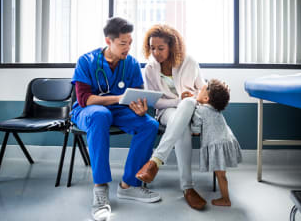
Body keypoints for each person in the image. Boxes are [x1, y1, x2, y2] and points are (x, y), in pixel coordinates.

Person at [71, 17, 160, 221]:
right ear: (108, 41)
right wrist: (118, 98)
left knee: (149, 124)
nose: (128, 47)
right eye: (122, 43)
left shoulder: (131, 63)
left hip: (119, 110)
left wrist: (139, 108)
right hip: (89, 111)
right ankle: (100, 188)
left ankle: (129, 185)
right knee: (101, 115)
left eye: (130, 42)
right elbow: (85, 99)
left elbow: (135, 94)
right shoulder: (87, 61)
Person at [135, 24, 207, 210]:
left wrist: (192, 99)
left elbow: (202, 88)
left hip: (191, 109)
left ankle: (155, 161)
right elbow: (157, 102)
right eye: (152, 48)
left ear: (172, 47)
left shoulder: (189, 62)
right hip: (166, 112)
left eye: (161, 48)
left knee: (189, 104)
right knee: (182, 121)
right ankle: (188, 188)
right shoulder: (150, 69)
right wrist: (179, 101)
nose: (156, 53)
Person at [191, 79, 242, 206]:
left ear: (206, 98)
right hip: (225, 140)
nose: (201, 88)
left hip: (217, 143)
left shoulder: (200, 111)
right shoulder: (215, 108)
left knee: (221, 175)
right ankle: (225, 197)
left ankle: (226, 199)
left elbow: (196, 130)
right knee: (221, 174)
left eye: (203, 89)